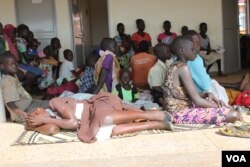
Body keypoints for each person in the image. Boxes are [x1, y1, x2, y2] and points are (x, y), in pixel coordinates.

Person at [26, 92, 173, 143]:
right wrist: (35, 125)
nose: (37, 120)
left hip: (99, 104)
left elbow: (71, 122)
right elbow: (52, 129)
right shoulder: (52, 120)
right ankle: (157, 124)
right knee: (109, 132)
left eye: (35, 116)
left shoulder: (55, 103)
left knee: (105, 118)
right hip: (91, 120)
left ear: (40, 109)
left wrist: (44, 119)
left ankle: (152, 114)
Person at [162, 36, 241, 125]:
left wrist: (206, 94)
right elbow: (197, 101)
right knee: (234, 114)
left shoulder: (174, 65)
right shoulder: (183, 68)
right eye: (192, 49)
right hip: (179, 114)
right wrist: (222, 107)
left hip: (179, 108)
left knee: (211, 100)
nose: (196, 51)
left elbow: (188, 94)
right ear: (181, 51)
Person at [185, 30, 249, 104]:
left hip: (199, 90)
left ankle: (236, 85)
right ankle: (236, 85)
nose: (199, 44)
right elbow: (206, 86)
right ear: (186, 43)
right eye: (195, 42)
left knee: (216, 84)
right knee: (237, 96)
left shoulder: (184, 58)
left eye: (199, 41)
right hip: (204, 93)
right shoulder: (194, 59)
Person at [0, 51, 49, 122]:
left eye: (16, 63)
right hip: (24, 109)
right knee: (49, 110)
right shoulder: (8, 81)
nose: (15, 66)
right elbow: (10, 103)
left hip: (28, 103)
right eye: (11, 64)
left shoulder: (13, 75)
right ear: (2, 66)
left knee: (51, 103)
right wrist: (24, 114)